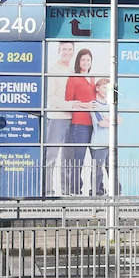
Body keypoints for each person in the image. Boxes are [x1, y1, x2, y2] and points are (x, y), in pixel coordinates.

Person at [61, 50, 97, 195]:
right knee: (79, 159)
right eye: (83, 60)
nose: (86, 63)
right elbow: (69, 101)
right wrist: (85, 105)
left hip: (94, 125)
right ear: (78, 62)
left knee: (96, 159)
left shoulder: (92, 78)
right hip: (79, 124)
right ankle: (75, 189)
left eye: (88, 60)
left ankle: (96, 189)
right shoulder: (73, 78)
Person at [43, 41, 77, 195]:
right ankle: (47, 191)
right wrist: (70, 105)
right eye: (64, 49)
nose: (67, 52)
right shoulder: (53, 69)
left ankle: (66, 190)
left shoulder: (73, 69)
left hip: (74, 119)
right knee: (51, 156)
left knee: (68, 157)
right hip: (58, 117)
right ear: (59, 50)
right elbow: (51, 98)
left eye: (70, 49)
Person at [88, 78, 117, 196]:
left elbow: (120, 119)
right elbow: (101, 123)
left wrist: (107, 118)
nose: (106, 90)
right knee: (98, 169)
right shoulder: (94, 104)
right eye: (104, 87)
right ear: (97, 88)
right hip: (99, 143)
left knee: (112, 169)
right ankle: (95, 192)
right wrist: (111, 119)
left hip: (111, 142)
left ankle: (116, 191)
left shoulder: (112, 105)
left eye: (108, 88)